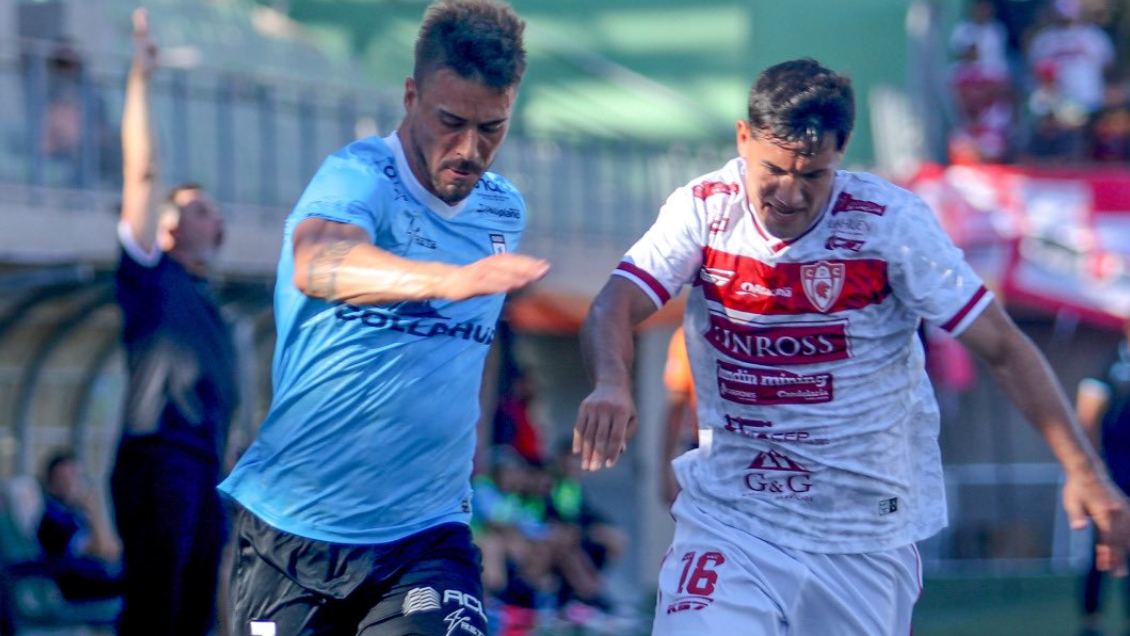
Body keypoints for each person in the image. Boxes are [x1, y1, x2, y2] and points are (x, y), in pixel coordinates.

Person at [573, 58, 1130, 635]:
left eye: (812, 175)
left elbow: (1004, 348)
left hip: (862, 530)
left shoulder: (891, 224)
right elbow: (614, 303)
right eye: (773, 170)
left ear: (841, 153)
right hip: (733, 518)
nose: (789, 194)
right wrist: (612, 381)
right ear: (743, 137)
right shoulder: (705, 208)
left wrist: (1084, 471)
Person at [217, 1, 548, 633]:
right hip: (296, 531)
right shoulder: (357, 175)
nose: (470, 149)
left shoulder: (503, 212)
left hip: (425, 536)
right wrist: (446, 281)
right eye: (451, 122)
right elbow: (318, 261)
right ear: (411, 96)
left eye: (492, 127)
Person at [110, 9, 237, 636]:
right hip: (159, 459)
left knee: (194, 615)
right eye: (199, 209)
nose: (215, 218)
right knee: (155, 612)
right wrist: (141, 78)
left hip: (204, 466)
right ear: (168, 228)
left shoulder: (211, 302)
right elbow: (141, 172)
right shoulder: (150, 275)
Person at [1077, 325, 1130, 634]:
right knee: (1102, 548)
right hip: (1112, 475)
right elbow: (1086, 418)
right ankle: (1091, 618)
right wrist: (1091, 471)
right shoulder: (1109, 364)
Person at [36, 451, 122, 602]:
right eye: (65, 479)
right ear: (51, 486)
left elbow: (113, 549)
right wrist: (94, 511)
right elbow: (103, 550)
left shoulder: (74, 516)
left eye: (76, 477)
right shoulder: (54, 522)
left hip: (92, 580)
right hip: (76, 590)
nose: (73, 484)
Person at [660, 326, 698, 504]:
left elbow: (676, 406)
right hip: (705, 442)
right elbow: (676, 405)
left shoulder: (690, 333)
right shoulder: (687, 335)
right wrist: (666, 470)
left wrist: (665, 470)